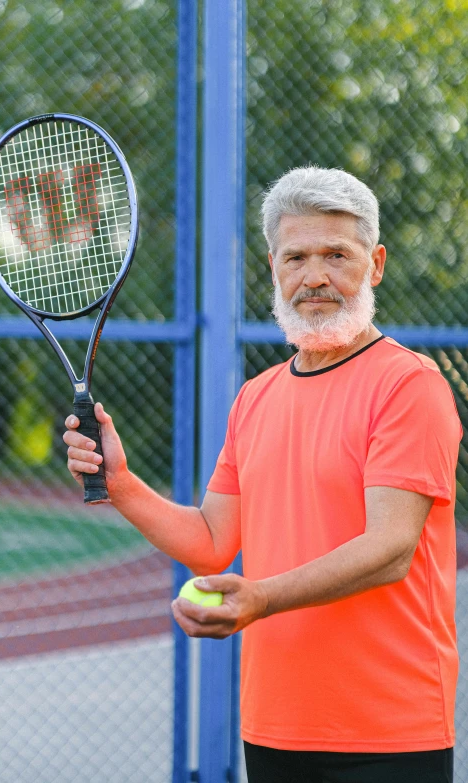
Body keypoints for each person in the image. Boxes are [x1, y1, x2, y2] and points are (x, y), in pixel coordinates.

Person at [63, 166, 462, 783]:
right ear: (273, 267)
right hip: (274, 726)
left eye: (337, 254)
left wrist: (262, 596)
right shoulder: (256, 396)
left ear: (375, 265)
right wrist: (121, 483)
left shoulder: (410, 385)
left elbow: (390, 550)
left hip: (389, 731)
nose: (316, 277)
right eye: (296, 256)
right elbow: (211, 543)